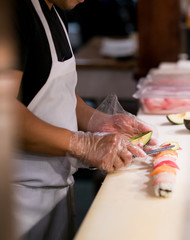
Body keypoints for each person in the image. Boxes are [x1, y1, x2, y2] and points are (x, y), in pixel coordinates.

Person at [11, 0, 156, 239]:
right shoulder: (16, 13)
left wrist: (99, 121)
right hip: (18, 201)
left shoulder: (57, 11)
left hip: (55, 191)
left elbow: (56, 92)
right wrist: (85, 144)